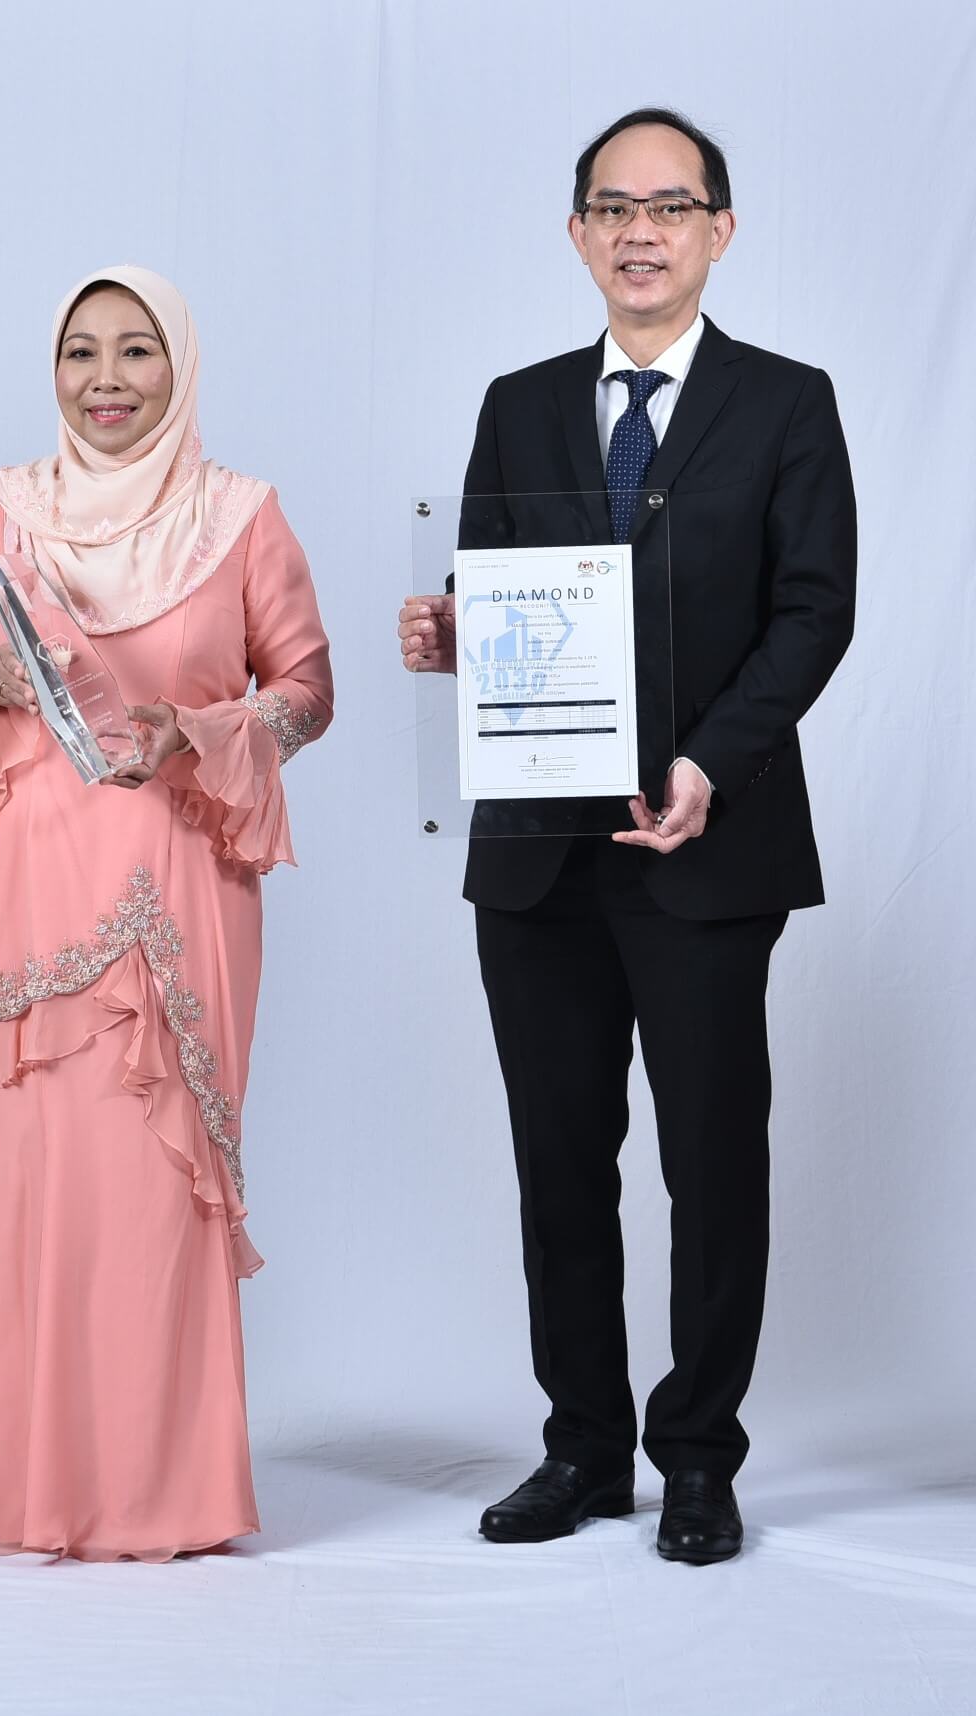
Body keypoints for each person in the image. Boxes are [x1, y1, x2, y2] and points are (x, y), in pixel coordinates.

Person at [398, 109, 855, 1563]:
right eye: (613, 206)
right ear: (578, 232)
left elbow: (814, 610)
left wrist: (712, 760)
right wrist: (454, 636)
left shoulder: (788, 403)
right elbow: (508, 606)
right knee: (558, 1160)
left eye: (671, 205)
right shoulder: (516, 401)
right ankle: (585, 1450)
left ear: (720, 230)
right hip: (538, 853)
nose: (640, 230)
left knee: (711, 1162)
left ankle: (698, 1458)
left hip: (708, 850)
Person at [0, 265, 332, 1561]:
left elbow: (307, 691)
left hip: (178, 884)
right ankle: (29, 1479)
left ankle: (165, 1489)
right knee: (39, 1180)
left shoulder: (243, 514)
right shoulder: (3, 508)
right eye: (82, 352)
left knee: (156, 1186)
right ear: (53, 369)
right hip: (33, 884)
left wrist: (198, 730)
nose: (106, 378)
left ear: (180, 365)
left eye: (137, 351)